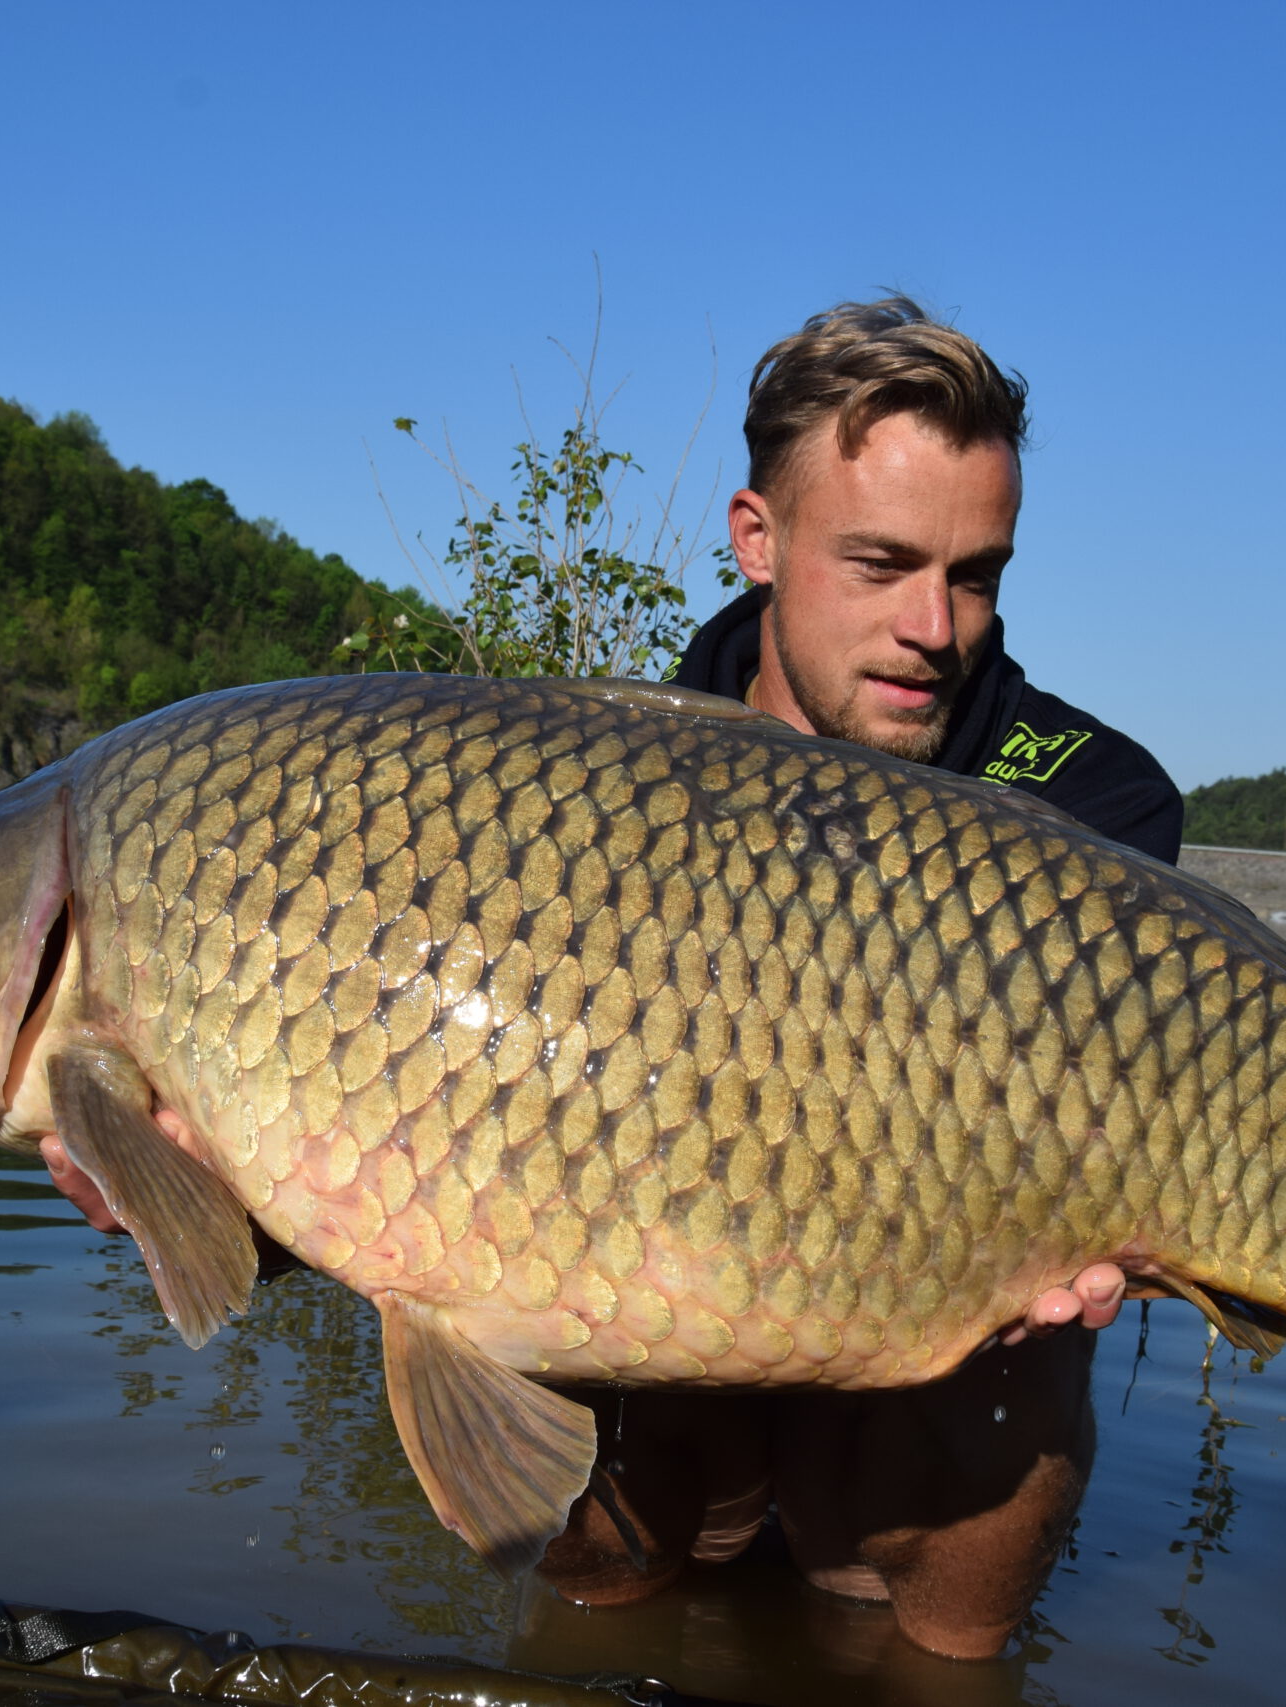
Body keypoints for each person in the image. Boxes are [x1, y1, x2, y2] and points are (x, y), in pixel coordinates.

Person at [527, 298, 1181, 1660]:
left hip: (923, 1366)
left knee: (1017, 1346)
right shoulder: (609, 785)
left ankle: (933, 1660)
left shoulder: (1093, 804)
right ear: (757, 538)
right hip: (678, 1335)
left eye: (977, 574)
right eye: (879, 563)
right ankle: (616, 1610)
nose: (935, 627)